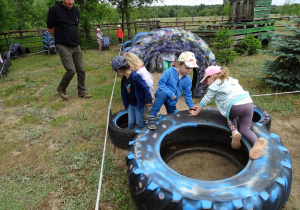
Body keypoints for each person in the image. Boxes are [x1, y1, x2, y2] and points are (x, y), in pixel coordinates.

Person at [189, 66, 267, 160]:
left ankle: (234, 132)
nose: (206, 83)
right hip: (248, 104)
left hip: (234, 106)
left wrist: (197, 112)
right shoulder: (231, 80)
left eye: (206, 80)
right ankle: (256, 143)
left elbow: (206, 99)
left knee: (229, 116)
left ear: (212, 76)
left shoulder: (215, 85)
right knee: (246, 129)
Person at [46, 0, 92, 101]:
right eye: (68, 0)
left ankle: (81, 91)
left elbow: (74, 26)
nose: (70, 2)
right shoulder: (55, 10)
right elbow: (49, 28)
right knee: (71, 70)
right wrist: (59, 38)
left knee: (81, 70)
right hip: (63, 45)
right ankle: (61, 89)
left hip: (75, 44)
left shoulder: (75, 10)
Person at [147, 51, 197, 130]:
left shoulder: (187, 80)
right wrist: (170, 93)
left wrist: (191, 106)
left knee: (173, 115)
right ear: (179, 64)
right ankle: (152, 116)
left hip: (172, 100)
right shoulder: (169, 72)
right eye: (187, 67)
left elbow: (187, 94)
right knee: (162, 94)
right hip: (163, 94)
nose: (189, 70)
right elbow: (161, 84)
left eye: (191, 68)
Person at [111, 56, 152, 130]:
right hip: (131, 105)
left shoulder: (135, 77)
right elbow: (124, 92)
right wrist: (125, 103)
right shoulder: (124, 79)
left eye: (116, 72)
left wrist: (149, 100)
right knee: (130, 122)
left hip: (138, 105)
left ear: (118, 70)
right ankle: (129, 135)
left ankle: (140, 135)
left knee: (139, 122)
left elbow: (145, 87)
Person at [123, 52, 154, 121]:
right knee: (141, 114)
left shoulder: (142, 73)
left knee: (145, 115)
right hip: (140, 99)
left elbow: (149, 86)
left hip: (145, 100)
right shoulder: (136, 72)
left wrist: (148, 99)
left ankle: (148, 126)